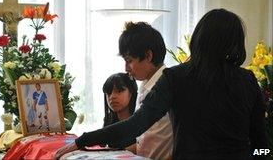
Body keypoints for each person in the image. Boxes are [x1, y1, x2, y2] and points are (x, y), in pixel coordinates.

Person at [55, 9, 268, 160]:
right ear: (236, 43)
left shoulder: (176, 78)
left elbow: (136, 124)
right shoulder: (247, 80)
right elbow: (261, 144)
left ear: (198, 40)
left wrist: (84, 140)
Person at [119, 21, 173, 159]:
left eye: (129, 61)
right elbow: (146, 139)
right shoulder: (145, 84)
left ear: (148, 56)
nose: (126, 68)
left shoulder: (171, 84)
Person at [102, 72, 138, 153]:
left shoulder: (141, 117)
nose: (112, 97)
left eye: (118, 91)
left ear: (131, 92)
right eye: (109, 93)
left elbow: (143, 146)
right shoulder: (109, 119)